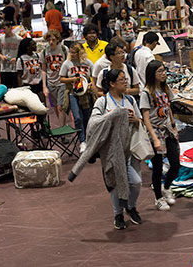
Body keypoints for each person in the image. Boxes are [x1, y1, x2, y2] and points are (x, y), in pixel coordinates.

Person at [91, 69, 143, 229]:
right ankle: (118, 214)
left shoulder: (130, 100)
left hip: (129, 150)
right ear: (112, 84)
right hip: (111, 153)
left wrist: (135, 119)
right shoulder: (102, 102)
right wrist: (111, 117)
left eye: (126, 79)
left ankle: (130, 206)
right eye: (122, 80)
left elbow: (140, 119)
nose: (126, 82)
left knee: (136, 182)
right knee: (114, 185)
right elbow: (94, 122)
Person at [140, 60, 179, 211]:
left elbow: (168, 107)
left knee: (175, 164)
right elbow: (146, 117)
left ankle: (167, 186)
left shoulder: (165, 88)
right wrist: (154, 138)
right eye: (160, 71)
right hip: (155, 132)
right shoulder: (146, 93)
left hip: (168, 130)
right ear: (152, 74)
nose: (164, 74)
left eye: (164, 71)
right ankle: (158, 197)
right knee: (157, 166)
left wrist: (173, 123)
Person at [59, 42, 95, 152]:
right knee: (77, 117)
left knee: (86, 117)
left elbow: (94, 77)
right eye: (71, 52)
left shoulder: (88, 63)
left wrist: (90, 84)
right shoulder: (67, 63)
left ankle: (87, 139)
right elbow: (61, 79)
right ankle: (82, 141)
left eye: (74, 52)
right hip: (73, 93)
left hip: (86, 94)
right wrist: (72, 80)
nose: (72, 54)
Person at [42, 29, 68, 128]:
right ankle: (63, 126)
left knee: (60, 107)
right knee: (56, 107)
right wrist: (44, 86)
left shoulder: (64, 49)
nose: (51, 42)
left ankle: (62, 130)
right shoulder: (45, 52)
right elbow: (44, 69)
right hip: (51, 82)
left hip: (62, 81)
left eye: (53, 39)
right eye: (49, 40)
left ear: (58, 40)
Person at [16, 37, 45, 102]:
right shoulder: (21, 59)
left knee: (43, 104)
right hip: (28, 86)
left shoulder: (37, 56)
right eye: (33, 45)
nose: (35, 46)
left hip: (38, 84)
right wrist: (20, 88)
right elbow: (19, 75)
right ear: (28, 47)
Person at [0, 21, 22, 87]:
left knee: (15, 88)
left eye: (5, 28)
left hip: (15, 68)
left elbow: (22, 53)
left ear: (10, 27)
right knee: (5, 87)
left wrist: (16, 58)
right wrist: (1, 56)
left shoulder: (19, 39)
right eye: (2, 29)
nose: (3, 30)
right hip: (4, 68)